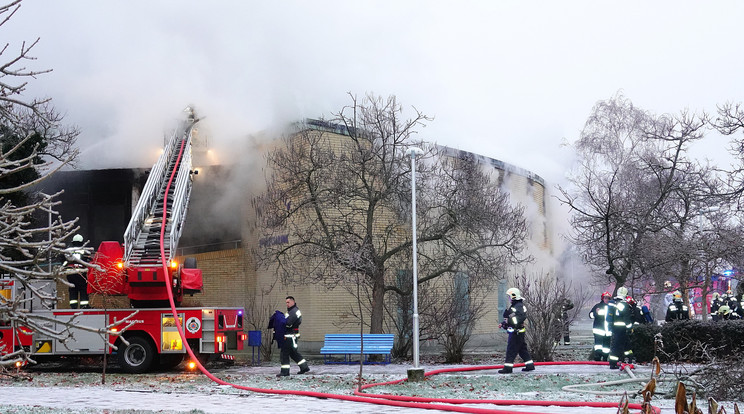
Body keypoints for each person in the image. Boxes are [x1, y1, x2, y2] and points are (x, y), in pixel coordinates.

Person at [498, 287, 535, 374]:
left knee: (511, 350)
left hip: (516, 332)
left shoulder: (518, 306)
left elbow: (517, 319)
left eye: (509, 296)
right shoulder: (516, 305)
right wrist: (504, 323)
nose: (509, 298)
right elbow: (512, 318)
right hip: (518, 332)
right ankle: (530, 365)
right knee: (522, 350)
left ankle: (508, 368)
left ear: (513, 296)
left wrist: (508, 320)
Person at [277, 296, 310, 377]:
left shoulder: (293, 312)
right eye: (286, 303)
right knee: (293, 353)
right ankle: (304, 367)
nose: (287, 304)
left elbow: (288, 323)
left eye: (288, 302)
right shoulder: (293, 311)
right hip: (292, 336)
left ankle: (285, 372)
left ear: (293, 302)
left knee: (284, 354)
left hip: (289, 336)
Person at [608, 287, 633, 369]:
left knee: (619, 345)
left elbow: (610, 316)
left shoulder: (614, 303)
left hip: (615, 328)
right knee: (620, 345)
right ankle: (615, 363)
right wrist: (629, 328)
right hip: (622, 329)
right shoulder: (623, 304)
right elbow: (626, 318)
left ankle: (623, 360)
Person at [63, 234, 90, 309]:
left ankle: (73, 306)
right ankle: (84, 306)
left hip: (70, 275)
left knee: (72, 289)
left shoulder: (68, 251)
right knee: (83, 289)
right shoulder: (84, 251)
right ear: (81, 242)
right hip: (81, 274)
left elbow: (63, 262)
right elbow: (88, 260)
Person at [588, 291, 612, 361]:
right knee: (598, 346)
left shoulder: (611, 307)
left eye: (608, 298)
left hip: (608, 331)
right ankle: (597, 358)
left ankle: (605, 358)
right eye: (605, 298)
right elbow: (590, 315)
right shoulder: (597, 306)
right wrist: (596, 313)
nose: (607, 300)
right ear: (602, 298)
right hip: (599, 330)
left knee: (606, 347)